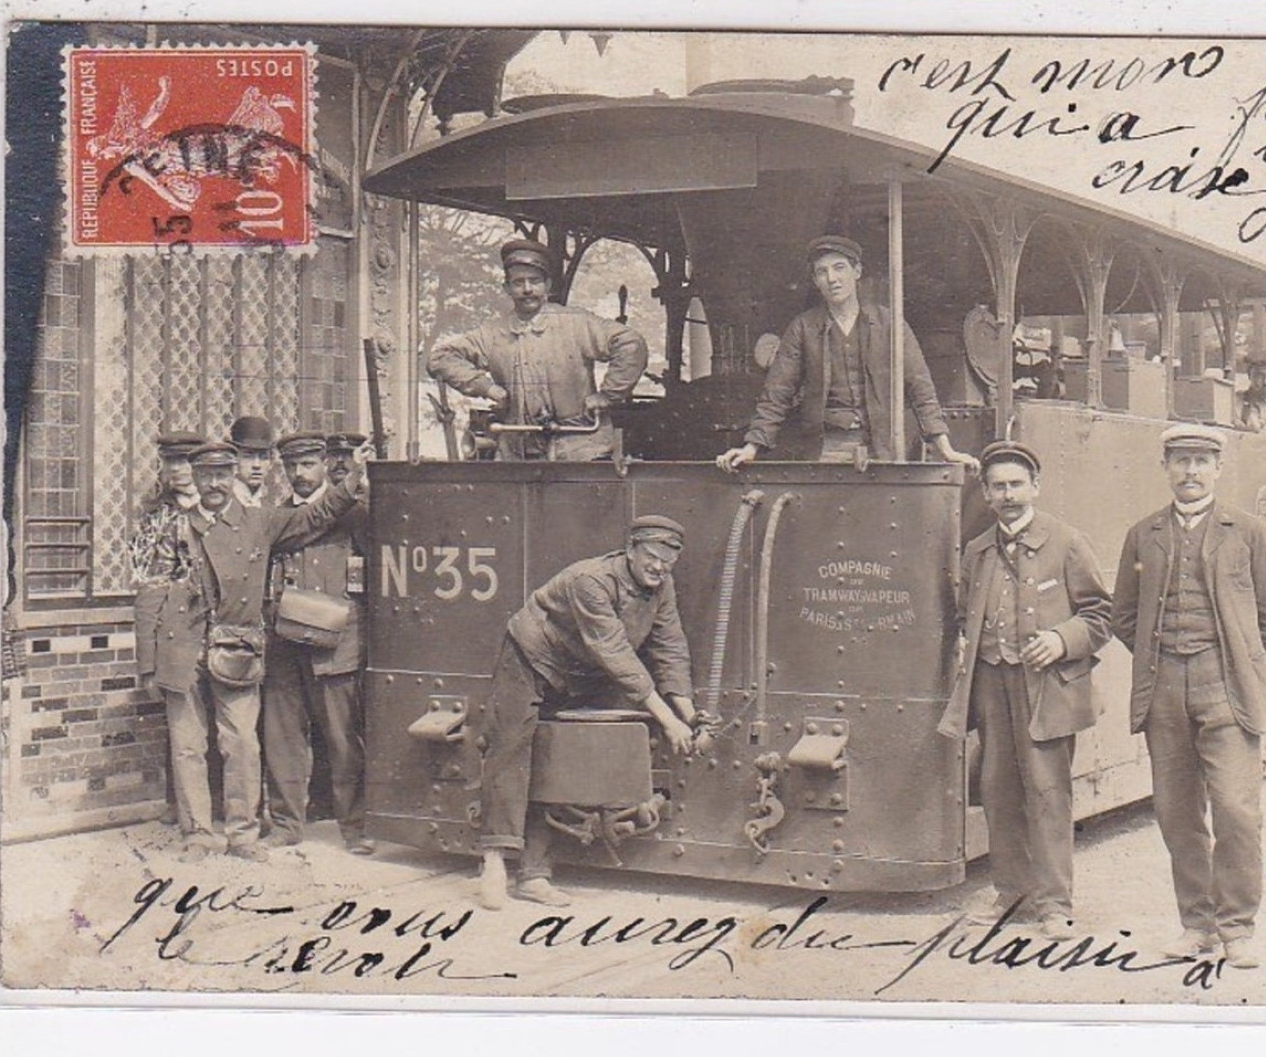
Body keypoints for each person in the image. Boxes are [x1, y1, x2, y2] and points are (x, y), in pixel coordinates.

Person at [1111, 424, 1266, 969]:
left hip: (1227, 687)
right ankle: (1197, 925)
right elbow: (1124, 615)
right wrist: (1159, 656)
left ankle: (1237, 928)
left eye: (1201, 462)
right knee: (1176, 812)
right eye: (1180, 461)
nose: (1190, 472)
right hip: (1163, 686)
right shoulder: (1143, 534)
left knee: (1236, 810)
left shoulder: (1248, 532)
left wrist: (1237, 657)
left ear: (1217, 469)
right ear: (1165, 467)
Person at [471, 516, 712, 909]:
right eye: (651, 557)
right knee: (511, 751)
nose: (658, 567)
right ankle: (494, 863)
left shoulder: (661, 587)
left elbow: (670, 648)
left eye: (668, 562)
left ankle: (533, 875)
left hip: (576, 675)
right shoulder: (591, 580)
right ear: (630, 550)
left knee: (556, 760)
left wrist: (687, 713)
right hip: (530, 660)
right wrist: (668, 721)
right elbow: (614, 652)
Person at [156, 440, 370, 862]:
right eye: (205, 475)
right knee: (229, 744)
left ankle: (254, 833)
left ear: (233, 476)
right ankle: (215, 831)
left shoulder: (259, 521)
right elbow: (150, 593)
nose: (214, 483)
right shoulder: (176, 526)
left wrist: (353, 481)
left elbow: (318, 516)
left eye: (222, 474)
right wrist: (150, 661)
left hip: (247, 646)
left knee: (251, 744)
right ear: (195, 479)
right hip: (203, 648)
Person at [939, 441, 1113, 938]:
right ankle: (1011, 892)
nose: (1008, 494)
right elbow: (963, 615)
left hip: (1048, 688)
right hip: (992, 683)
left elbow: (1101, 615)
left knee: (1048, 793)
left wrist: (1061, 640)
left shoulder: (1067, 542)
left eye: (1017, 484)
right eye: (998, 486)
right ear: (987, 495)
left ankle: (1055, 904)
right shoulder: (976, 551)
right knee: (998, 789)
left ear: (1035, 487)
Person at [715, 235, 978, 472]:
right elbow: (776, 393)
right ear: (816, 282)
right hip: (825, 449)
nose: (832, 278)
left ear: (857, 271)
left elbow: (921, 388)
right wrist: (751, 447)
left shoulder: (890, 324)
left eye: (839, 268)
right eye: (822, 272)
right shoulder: (803, 328)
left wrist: (945, 448)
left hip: (882, 447)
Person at [427, 239, 648, 461]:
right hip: (516, 453)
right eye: (518, 283)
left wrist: (608, 395)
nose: (527, 290)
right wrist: (486, 388)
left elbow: (630, 343)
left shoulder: (576, 323)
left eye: (534, 281)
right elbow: (440, 358)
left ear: (547, 286)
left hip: (580, 449)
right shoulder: (493, 333)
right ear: (507, 288)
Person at [261, 433, 372, 854]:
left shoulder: (356, 515)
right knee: (283, 735)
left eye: (307, 465)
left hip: (338, 641)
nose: (299, 474)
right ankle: (288, 823)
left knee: (344, 740)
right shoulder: (280, 518)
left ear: (325, 464)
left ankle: (356, 826)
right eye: (291, 466)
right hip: (286, 642)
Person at [130, 430, 205, 826]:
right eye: (171, 462)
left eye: (186, 461)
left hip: (222, 637)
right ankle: (185, 811)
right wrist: (147, 662)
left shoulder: (226, 508)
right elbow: (146, 588)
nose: (178, 470)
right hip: (177, 636)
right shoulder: (155, 516)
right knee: (184, 732)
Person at [230, 415, 274, 508]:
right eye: (248, 456)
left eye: (263, 457)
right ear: (234, 459)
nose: (256, 465)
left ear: (271, 462)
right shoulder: (224, 505)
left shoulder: (270, 508)